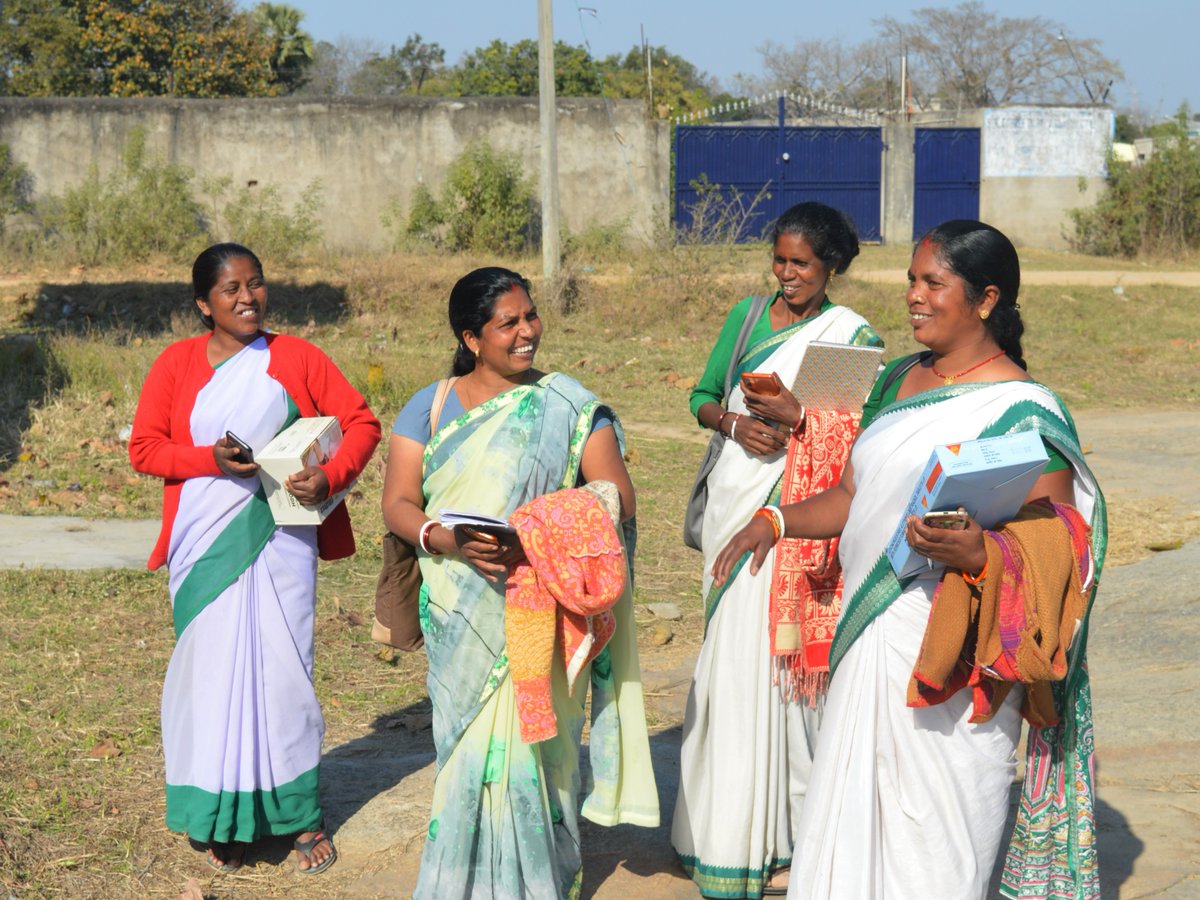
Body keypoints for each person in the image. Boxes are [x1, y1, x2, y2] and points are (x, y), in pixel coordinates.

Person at [712, 220, 1106, 900]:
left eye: (932, 283)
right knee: (848, 825)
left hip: (951, 664)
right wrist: (776, 520)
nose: (914, 298)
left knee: (934, 840)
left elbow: (1058, 545)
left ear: (986, 299)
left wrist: (982, 551)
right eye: (910, 282)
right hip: (871, 644)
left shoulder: (1022, 409)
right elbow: (852, 494)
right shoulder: (898, 379)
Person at [381, 266, 659, 899]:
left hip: (540, 607)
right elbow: (398, 501)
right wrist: (443, 537)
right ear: (471, 337)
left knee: (541, 753)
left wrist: (534, 531)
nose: (528, 331)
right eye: (509, 323)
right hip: (458, 606)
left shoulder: (567, 403)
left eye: (530, 316)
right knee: (467, 758)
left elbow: (619, 497)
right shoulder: (432, 405)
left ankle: (537, 881)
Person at [128, 243, 381, 875]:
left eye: (256, 284)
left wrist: (330, 477)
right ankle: (221, 815)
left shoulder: (295, 356)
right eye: (230, 289)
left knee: (282, 672)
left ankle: (298, 816)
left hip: (280, 539)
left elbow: (361, 424)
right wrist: (207, 459)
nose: (247, 298)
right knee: (211, 678)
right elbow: (145, 449)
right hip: (201, 544)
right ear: (202, 304)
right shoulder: (176, 364)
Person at [673, 202, 883, 898]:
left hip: (789, 518)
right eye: (780, 260)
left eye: (802, 264)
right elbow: (703, 396)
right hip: (737, 491)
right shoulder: (745, 317)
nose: (787, 274)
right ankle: (714, 833)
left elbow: (847, 439)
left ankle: (788, 838)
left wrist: (798, 419)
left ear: (832, 268)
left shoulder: (846, 337)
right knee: (726, 665)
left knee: (778, 670)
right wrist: (735, 421)